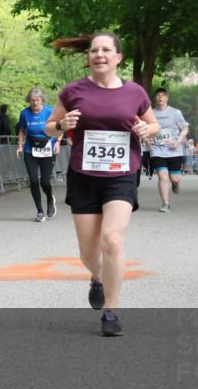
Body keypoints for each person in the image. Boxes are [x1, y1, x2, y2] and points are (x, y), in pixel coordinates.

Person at [46, 32, 158, 337]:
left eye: (106, 50)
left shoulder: (135, 93)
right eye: (95, 50)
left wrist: (148, 129)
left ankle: (111, 311)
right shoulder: (73, 91)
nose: (99, 55)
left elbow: (153, 124)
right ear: (89, 57)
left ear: (118, 57)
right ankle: (97, 276)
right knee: (88, 253)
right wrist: (61, 126)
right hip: (83, 176)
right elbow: (49, 128)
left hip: (121, 175)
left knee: (112, 240)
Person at [16, 88, 60, 222]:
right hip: (31, 150)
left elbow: (60, 127)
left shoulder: (49, 111)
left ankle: (50, 199)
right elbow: (22, 130)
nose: (35, 103)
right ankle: (40, 211)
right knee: (34, 180)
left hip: (48, 149)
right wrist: (20, 145)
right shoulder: (24, 113)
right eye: (32, 101)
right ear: (28, 101)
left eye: (37, 100)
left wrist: (57, 142)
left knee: (44, 181)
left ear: (42, 100)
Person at [148, 88, 189, 213]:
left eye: (163, 95)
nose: (160, 97)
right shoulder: (150, 113)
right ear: (155, 98)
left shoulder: (175, 112)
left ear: (167, 98)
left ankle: (175, 184)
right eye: (158, 95)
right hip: (157, 149)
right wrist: (145, 139)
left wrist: (179, 141)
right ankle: (166, 203)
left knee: (174, 178)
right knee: (162, 176)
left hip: (173, 150)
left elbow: (185, 128)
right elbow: (144, 128)